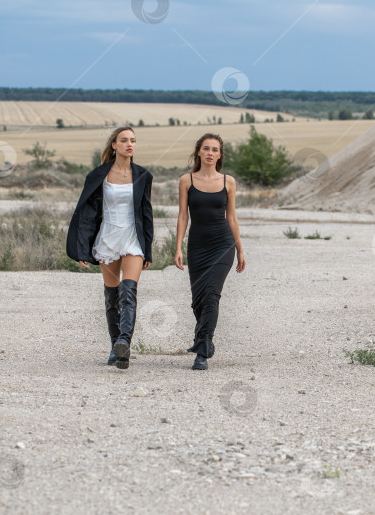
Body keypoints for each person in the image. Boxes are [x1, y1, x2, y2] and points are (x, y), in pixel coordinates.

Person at [67, 126, 153, 370]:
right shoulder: (98, 175)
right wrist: (82, 248)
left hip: (133, 237)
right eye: (124, 140)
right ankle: (115, 347)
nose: (129, 144)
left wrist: (149, 249)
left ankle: (125, 341)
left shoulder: (143, 176)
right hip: (108, 236)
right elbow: (87, 214)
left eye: (133, 141)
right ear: (113, 145)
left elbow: (147, 215)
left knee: (129, 291)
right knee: (112, 296)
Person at [174, 133, 246, 370]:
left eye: (215, 149)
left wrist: (239, 248)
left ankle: (202, 350)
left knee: (211, 296)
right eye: (206, 148)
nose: (210, 153)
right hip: (197, 246)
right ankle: (203, 337)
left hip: (222, 245)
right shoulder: (187, 180)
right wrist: (178, 247)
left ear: (220, 155)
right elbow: (183, 215)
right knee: (197, 301)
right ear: (198, 152)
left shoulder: (229, 182)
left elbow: (232, 217)